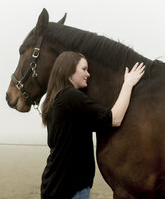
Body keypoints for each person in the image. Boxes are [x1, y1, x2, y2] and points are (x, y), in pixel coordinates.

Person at [40, 51, 145, 199]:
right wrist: (128, 84)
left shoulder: (57, 100)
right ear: (68, 69)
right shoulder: (71, 96)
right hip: (70, 189)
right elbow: (115, 119)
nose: (88, 74)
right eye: (84, 69)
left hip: (55, 186)